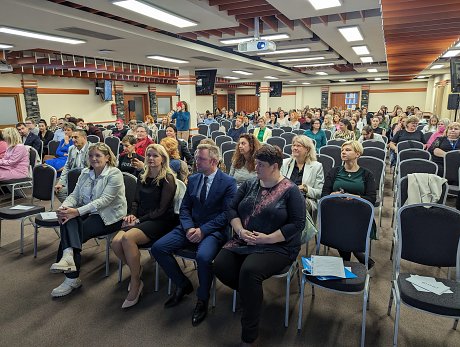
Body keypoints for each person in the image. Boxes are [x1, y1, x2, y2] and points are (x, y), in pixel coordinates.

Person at [214, 145, 306, 346]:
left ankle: (249, 331)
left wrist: (268, 238)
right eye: (255, 163)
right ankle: (251, 295)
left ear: (275, 166)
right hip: (244, 238)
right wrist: (239, 230)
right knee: (220, 264)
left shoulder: (291, 190)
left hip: (278, 245)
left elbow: (297, 224)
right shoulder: (250, 184)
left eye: (261, 165)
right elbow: (231, 209)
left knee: (250, 271)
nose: (256, 168)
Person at [151, 143, 236, 327]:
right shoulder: (195, 178)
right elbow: (185, 208)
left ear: (213, 161)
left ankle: (202, 299)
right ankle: (183, 284)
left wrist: (203, 230)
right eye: (196, 157)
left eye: (200, 159)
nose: (195, 161)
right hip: (189, 227)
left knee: (203, 257)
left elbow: (227, 214)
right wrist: (189, 227)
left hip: (213, 231)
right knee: (158, 248)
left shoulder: (228, 182)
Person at [49, 143, 127, 297]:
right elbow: (74, 195)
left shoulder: (114, 173)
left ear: (107, 157)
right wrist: (64, 208)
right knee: (67, 217)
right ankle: (69, 264)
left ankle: (70, 272)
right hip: (88, 211)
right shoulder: (85, 172)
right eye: (91, 155)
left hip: (109, 216)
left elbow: (104, 201)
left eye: (98, 155)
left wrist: (76, 211)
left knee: (75, 230)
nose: (93, 159)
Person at [112, 144, 179, 308]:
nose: (151, 158)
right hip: (142, 218)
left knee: (127, 239)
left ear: (163, 158)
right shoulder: (143, 174)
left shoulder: (168, 178)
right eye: (148, 155)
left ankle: (136, 282)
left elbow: (162, 210)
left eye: (155, 155)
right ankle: (137, 269)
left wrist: (139, 221)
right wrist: (132, 215)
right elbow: (136, 201)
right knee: (115, 243)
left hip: (161, 221)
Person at [321, 140, 376, 266]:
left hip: (358, 214)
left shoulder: (366, 174)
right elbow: (324, 195)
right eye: (342, 150)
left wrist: (355, 197)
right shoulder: (334, 172)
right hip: (337, 213)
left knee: (346, 226)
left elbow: (371, 198)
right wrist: (332, 195)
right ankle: (355, 256)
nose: (343, 152)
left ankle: (346, 262)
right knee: (342, 224)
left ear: (357, 154)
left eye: (348, 150)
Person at [281, 135, 324, 215]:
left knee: (296, 203)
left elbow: (320, 192)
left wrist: (306, 188)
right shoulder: (285, 163)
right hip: (285, 197)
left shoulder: (316, 166)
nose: (295, 148)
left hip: (305, 199)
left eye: (299, 146)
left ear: (307, 149)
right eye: (293, 145)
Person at [54, 130, 90, 202]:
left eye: (76, 137)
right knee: (59, 191)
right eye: (72, 137)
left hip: (88, 181)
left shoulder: (92, 149)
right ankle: (73, 208)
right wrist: (61, 183)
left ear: (84, 138)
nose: (73, 140)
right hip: (73, 180)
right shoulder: (71, 149)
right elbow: (67, 166)